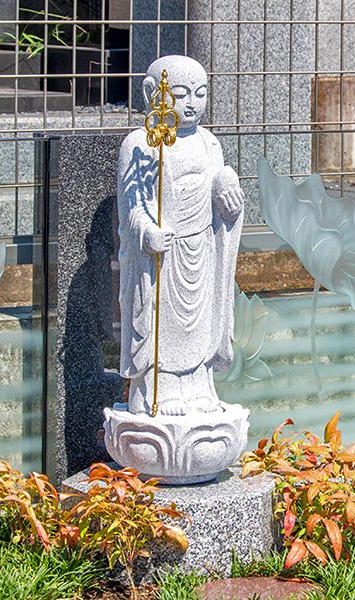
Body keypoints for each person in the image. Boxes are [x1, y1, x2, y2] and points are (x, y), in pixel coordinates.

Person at [116, 55, 244, 417]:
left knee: (200, 322)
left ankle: (199, 386)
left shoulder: (209, 143)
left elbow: (223, 206)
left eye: (200, 94)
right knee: (161, 320)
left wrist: (229, 195)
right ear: (150, 93)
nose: (191, 104)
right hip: (162, 254)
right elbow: (133, 204)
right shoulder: (141, 144)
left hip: (201, 247)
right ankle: (160, 389)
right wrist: (147, 232)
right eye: (181, 94)